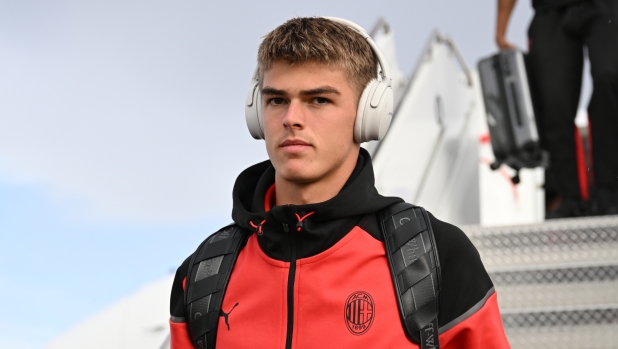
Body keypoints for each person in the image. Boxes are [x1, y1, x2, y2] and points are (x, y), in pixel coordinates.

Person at [169, 17, 511, 348]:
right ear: (256, 114)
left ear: (369, 116)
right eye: (277, 100)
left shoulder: (434, 254)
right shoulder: (203, 275)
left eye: (318, 100)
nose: (291, 119)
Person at [496, 0, 618, 218]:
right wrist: (501, 31)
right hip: (549, 10)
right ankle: (568, 199)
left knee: (609, 78)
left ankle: (610, 192)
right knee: (553, 103)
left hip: (605, 6)